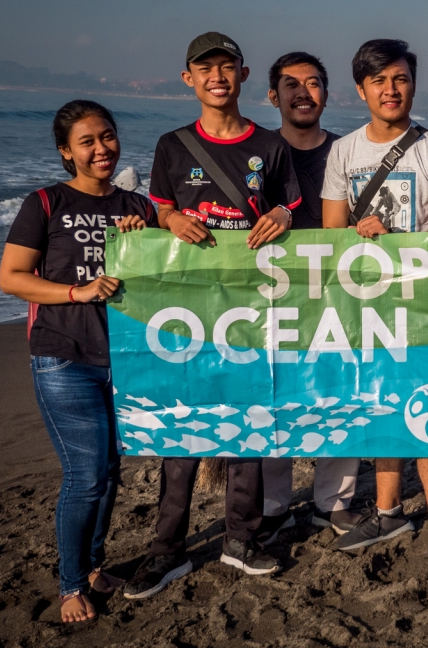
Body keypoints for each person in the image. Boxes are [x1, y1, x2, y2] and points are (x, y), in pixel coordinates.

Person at [124, 32, 302, 600]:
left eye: (227, 67)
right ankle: (166, 551)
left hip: (251, 307)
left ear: (244, 75)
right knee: (181, 432)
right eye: (206, 69)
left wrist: (279, 215)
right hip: (185, 311)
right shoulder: (171, 145)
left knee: (248, 424)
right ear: (189, 80)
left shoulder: (270, 145)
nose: (217, 77)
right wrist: (171, 219)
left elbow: (289, 204)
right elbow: (160, 208)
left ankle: (241, 540)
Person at [321, 38, 428, 588]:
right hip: (368, 307)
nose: (391, 89)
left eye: (401, 78)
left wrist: (399, 236)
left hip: (427, 305)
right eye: (379, 80)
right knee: (382, 408)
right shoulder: (343, 152)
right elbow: (332, 236)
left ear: (412, 84)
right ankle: (387, 513)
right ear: (360, 89)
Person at [0, 100, 157, 622]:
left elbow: (162, 278)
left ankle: (92, 566)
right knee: (84, 474)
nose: (101, 149)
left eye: (107, 137)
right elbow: (12, 277)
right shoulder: (45, 202)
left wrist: (146, 239)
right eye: (87, 142)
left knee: (110, 472)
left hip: (125, 359)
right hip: (63, 357)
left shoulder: (138, 207)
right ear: (66, 152)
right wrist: (77, 292)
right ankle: (70, 586)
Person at [254, 51, 365, 541]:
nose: (304, 91)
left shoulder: (348, 154)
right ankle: (274, 505)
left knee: (338, 395)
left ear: (327, 93)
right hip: (270, 296)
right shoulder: (255, 155)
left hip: (338, 296)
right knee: (273, 395)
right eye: (291, 84)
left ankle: (332, 503)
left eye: (314, 82)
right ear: (272, 96)